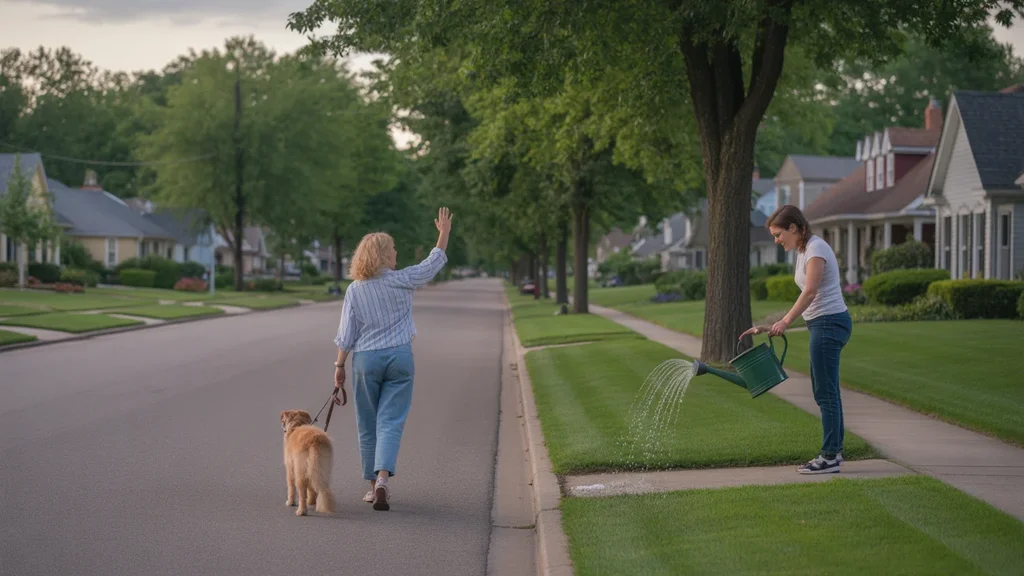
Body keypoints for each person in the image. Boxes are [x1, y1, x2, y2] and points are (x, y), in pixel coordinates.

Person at [332, 207, 454, 510]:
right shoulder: (403, 280)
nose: (397, 253)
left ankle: (372, 488)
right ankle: (384, 477)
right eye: (394, 249)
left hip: (365, 361)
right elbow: (432, 263)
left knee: (368, 423)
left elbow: (346, 333)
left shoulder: (354, 290)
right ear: (385, 256)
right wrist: (444, 233)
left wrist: (339, 367)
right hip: (400, 357)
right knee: (390, 422)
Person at [741, 204, 852, 475]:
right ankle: (833, 453)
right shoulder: (804, 251)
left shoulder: (816, 249)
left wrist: (785, 321)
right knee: (826, 392)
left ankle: (829, 457)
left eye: (778, 235)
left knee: (825, 393)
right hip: (821, 323)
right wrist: (771, 326)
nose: (777, 241)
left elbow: (811, 291)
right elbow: (807, 298)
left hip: (829, 323)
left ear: (793, 228)